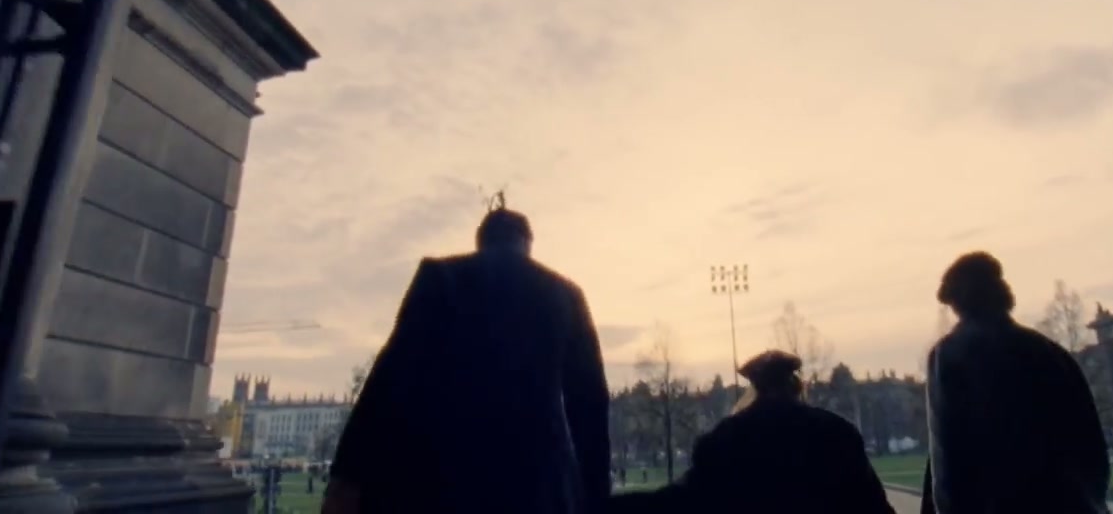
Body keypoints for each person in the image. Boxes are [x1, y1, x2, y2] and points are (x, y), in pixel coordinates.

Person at [322, 200, 611, 514]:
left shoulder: (440, 277)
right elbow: (590, 403)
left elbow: (390, 377)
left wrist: (347, 475)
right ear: (527, 242)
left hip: (446, 480)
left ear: (480, 241)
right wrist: (596, 495)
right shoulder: (566, 294)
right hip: (540, 486)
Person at [922, 251, 1110, 514]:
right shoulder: (1050, 352)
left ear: (959, 302)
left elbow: (949, 458)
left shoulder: (950, 355)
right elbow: (1092, 447)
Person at [615, 350, 895, 514]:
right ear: (796, 386)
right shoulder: (836, 433)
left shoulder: (725, 438)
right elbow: (872, 506)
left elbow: (681, 502)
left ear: (755, 388)